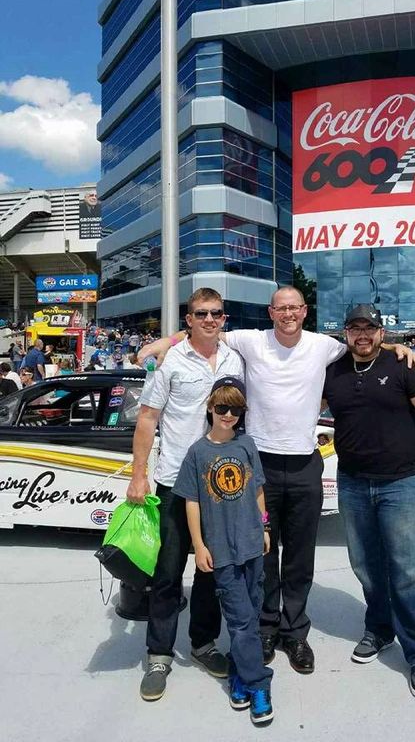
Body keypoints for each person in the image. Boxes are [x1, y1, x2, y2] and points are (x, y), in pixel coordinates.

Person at [139, 287, 415, 675]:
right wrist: (166, 340)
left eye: (294, 307)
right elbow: (202, 334)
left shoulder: (324, 346)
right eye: (281, 308)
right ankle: (263, 628)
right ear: (270, 312)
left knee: (300, 556)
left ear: (304, 311)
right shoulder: (249, 342)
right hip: (257, 465)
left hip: (304, 463)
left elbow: (364, 345)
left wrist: (395, 347)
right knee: (259, 554)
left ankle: (294, 632)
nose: (288, 313)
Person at [322, 304, 415, 699]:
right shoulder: (334, 371)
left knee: (408, 570)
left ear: (380, 332)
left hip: (403, 482)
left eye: (369, 328)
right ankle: (379, 629)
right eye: (355, 328)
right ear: (345, 332)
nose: (362, 335)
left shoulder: (403, 365)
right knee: (365, 564)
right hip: (354, 482)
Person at [126, 288, 245, 702]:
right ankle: (159, 654)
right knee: (168, 572)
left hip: (220, 485)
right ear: (188, 319)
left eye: (216, 313)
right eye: (201, 314)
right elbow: (147, 419)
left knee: (211, 571)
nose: (209, 319)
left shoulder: (235, 358)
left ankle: (203, 644)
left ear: (223, 318)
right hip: (175, 481)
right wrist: (139, 475)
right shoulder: (171, 362)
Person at [173, 378, 274, 725]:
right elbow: (192, 503)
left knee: (251, 614)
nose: (228, 415)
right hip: (221, 550)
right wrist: (199, 545)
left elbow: (258, 490)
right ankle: (259, 684)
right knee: (241, 621)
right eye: (222, 408)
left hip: (252, 545)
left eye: (235, 409)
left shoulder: (247, 446)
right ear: (210, 408)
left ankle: (238, 674)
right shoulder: (198, 453)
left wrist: (264, 526)